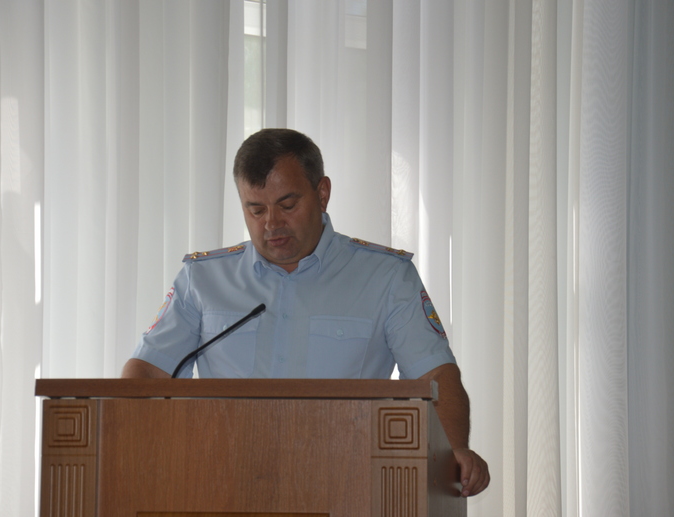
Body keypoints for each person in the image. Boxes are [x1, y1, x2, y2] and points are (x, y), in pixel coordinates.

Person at [122, 128, 490, 497]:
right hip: (222, 483)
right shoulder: (203, 279)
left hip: (345, 486)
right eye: (256, 209)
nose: (271, 223)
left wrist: (452, 451)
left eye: (287, 205)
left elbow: (435, 375)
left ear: (322, 193)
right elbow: (149, 372)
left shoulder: (386, 277)